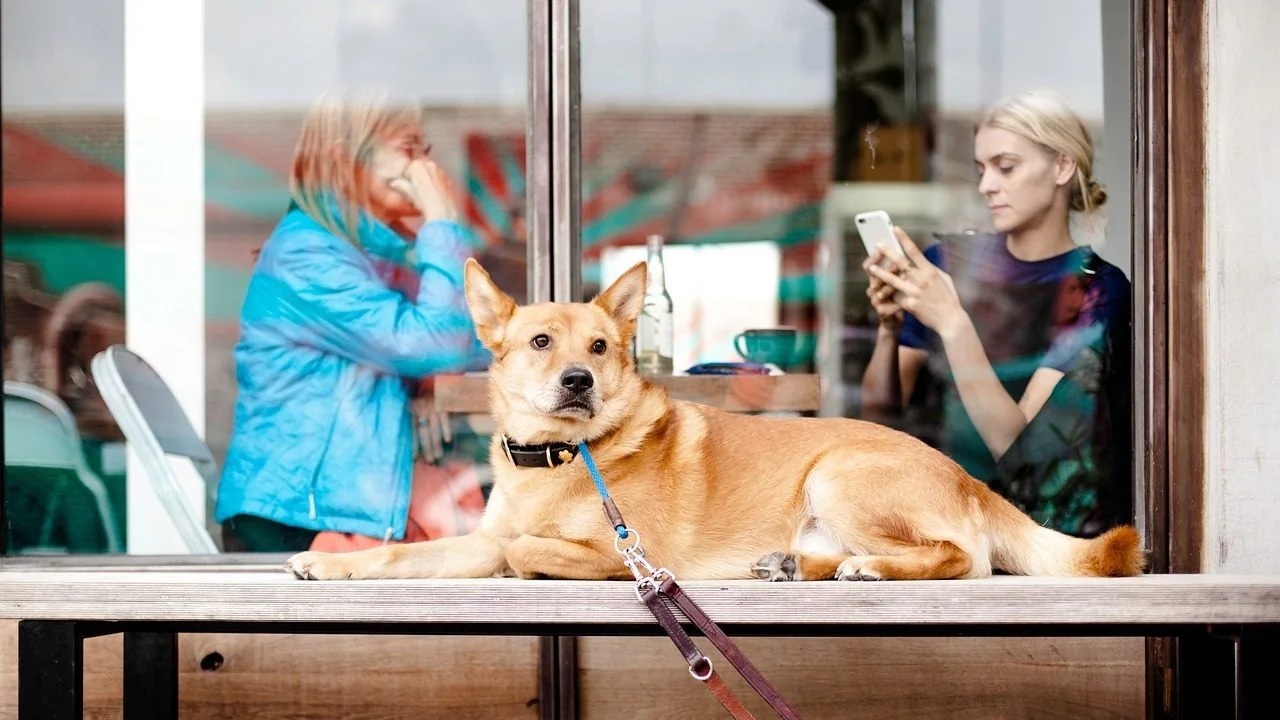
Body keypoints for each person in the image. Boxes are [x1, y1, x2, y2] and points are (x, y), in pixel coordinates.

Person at [215, 91, 490, 552]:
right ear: (346, 161)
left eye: (426, 152)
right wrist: (441, 222)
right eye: (408, 149)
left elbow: (462, 344)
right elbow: (431, 346)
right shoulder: (308, 254)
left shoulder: (372, 256)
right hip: (296, 521)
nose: (425, 168)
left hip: (339, 510)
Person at [859, 91, 1132, 537]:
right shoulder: (946, 264)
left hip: (1047, 534)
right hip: (942, 523)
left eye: (1005, 167)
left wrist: (952, 322)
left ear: (1062, 167)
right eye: (981, 169)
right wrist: (890, 330)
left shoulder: (1095, 289)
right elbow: (880, 412)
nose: (987, 185)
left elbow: (1018, 446)